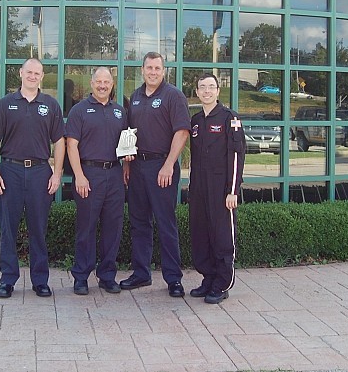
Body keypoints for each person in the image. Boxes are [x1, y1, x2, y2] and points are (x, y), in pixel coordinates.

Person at [0, 57, 65, 298]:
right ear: (20, 73)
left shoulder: (50, 105)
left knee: (38, 229)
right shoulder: (6, 103)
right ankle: (7, 280)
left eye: (37, 73)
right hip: (10, 171)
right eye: (28, 72)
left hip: (41, 172)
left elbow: (59, 142)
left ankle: (40, 281)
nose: (32, 76)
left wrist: (57, 173)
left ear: (42, 76)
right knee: (8, 229)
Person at [121, 51, 191, 297]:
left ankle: (173, 279)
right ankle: (141, 273)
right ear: (142, 70)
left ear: (164, 71)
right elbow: (129, 133)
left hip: (162, 167)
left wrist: (169, 164)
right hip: (138, 167)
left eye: (157, 68)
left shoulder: (173, 96)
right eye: (148, 68)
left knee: (165, 223)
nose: (152, 72)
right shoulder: (136, 97)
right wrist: (127, 165)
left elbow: (182, 132)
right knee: (139, 222)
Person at [64, 67, 131, 295]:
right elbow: (71, 145)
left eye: (107, 82)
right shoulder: (79, 111)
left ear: (112, 85)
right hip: (88, 174)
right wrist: (79, 175)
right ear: (91, 83)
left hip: (114, 174)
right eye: (98, 81)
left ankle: (107, 276)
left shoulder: (120, 112)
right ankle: (81, 276)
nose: (103, 85)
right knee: (87, 227)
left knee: (113, 227)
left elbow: (126, 145)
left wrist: (127, 166)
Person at [188, 73, 245, 304]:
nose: (207, 91)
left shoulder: (229, 118)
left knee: (222, 237)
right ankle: (208, 278)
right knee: (201, 234)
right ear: (197, 91)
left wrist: (233, 190)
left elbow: (237, 156)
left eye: (211, 87)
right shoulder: (195, 120)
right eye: (202, 87)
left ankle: (222, 283)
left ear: (218, 91)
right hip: (200, 188)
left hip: (222, 190)